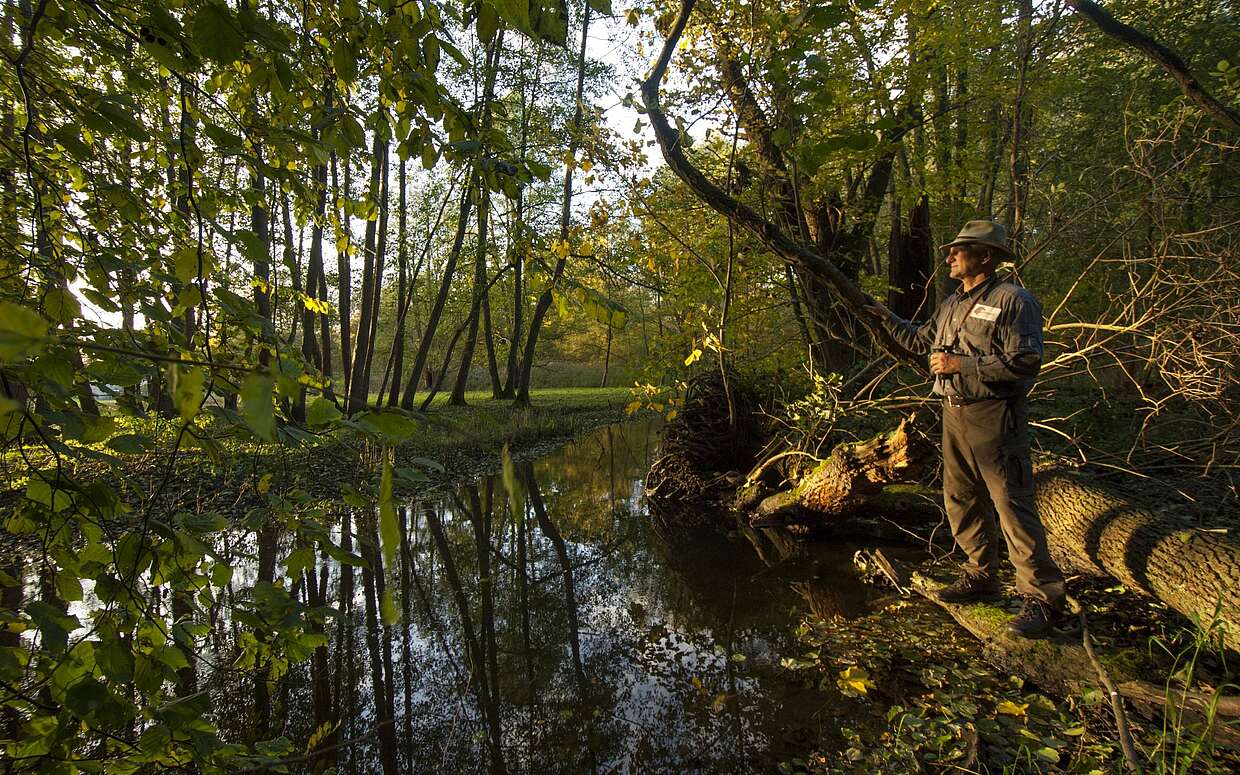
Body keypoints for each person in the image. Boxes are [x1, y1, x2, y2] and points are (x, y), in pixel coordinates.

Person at [864, 219, 1066, 637]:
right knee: (960, 498)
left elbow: (1027, 361)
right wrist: (886, 317)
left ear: (985, 256)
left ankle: (1043, 600)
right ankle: (980, 576)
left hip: (996, 413)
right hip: (953, 413)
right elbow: (922, 341)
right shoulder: (952, 303)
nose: (950, 256)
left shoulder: (1014, 300)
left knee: (1011, 502)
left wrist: (963, 364)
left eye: (959, 250)